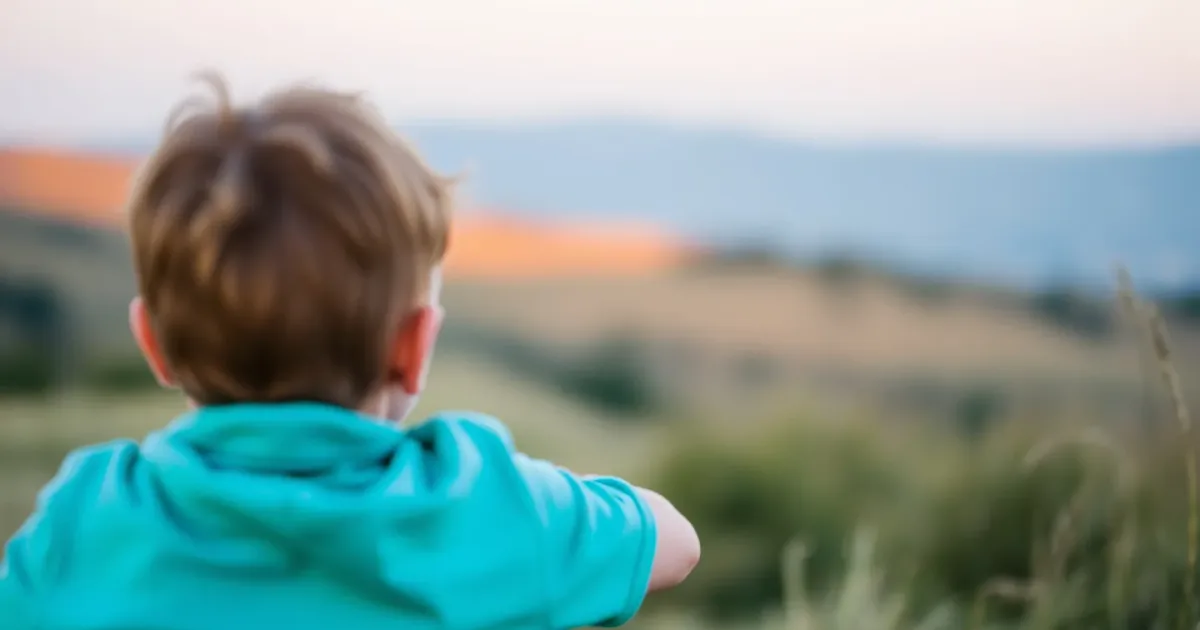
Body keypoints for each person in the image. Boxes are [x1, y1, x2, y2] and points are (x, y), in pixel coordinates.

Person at [0, 73, 699, 629]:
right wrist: (539, 505)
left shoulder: (82, 526)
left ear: (154, 343)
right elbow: (674, 542)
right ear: (413, 347)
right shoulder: (483, 510)